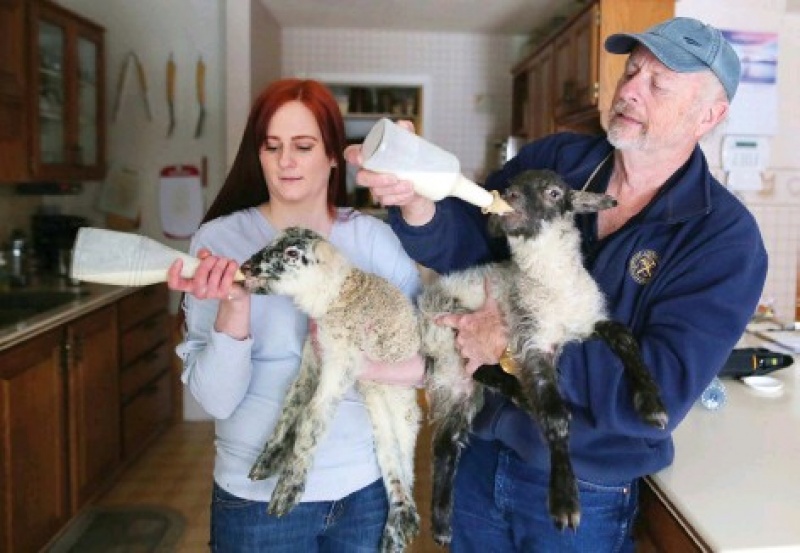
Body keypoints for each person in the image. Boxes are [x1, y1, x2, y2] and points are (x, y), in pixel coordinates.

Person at [346, 17, 768, 552]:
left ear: (709, 115)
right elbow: (472, 243)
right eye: (631, 71)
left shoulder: (723, 239)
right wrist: (417, 203)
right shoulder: (558, 161)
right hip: (481, 450)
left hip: (581, 487)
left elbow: (656, 391)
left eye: (658, 84)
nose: (630, 90)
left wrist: (510, 343)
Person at [167, 78, 425, 552]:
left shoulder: (372, 242)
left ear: (333, 156)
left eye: (303, 146)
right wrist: (235, 306)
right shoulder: (219, 243)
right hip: (257, 502)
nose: (286, 160)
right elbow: (216, 402)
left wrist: (358, 364)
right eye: (272, 146)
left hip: (363, 494)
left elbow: (430, 362)